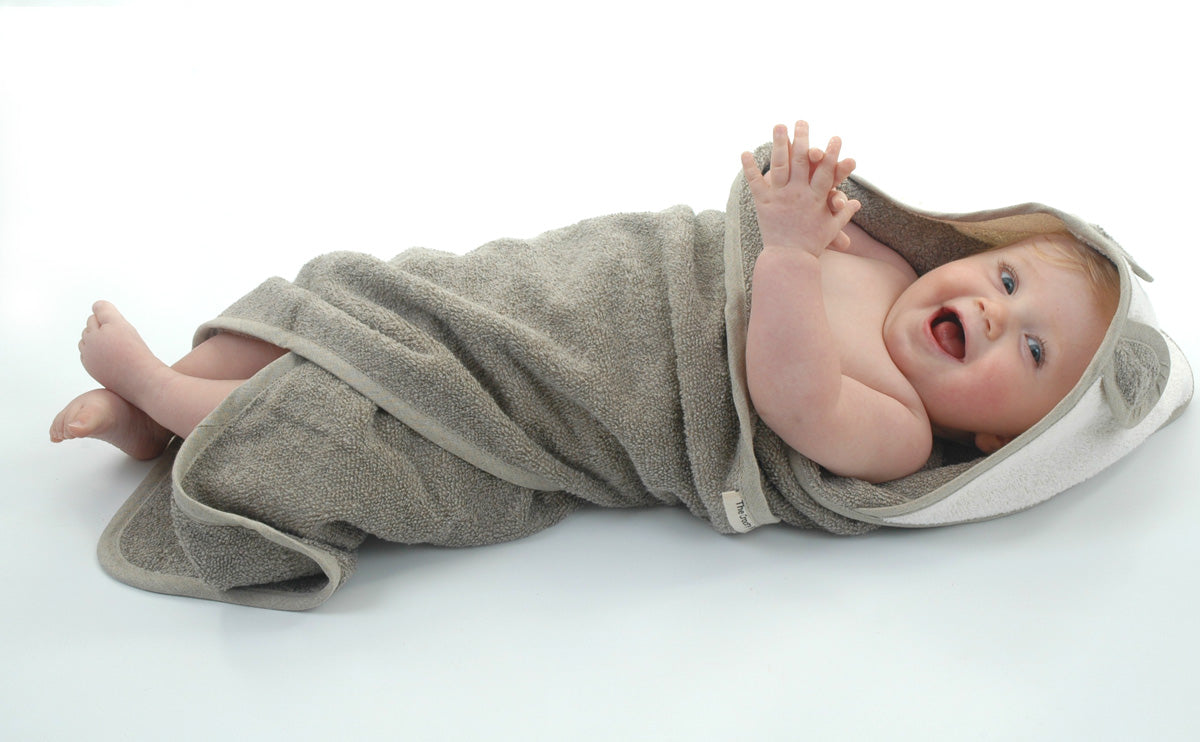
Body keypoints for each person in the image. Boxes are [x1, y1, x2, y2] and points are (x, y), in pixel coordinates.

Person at [49, 121, 1119, 484]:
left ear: (989, 440)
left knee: (405, 420)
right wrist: (791, 194)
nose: (991, 308)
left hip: (596, 385)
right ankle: (165, 407)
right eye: (1007, 276)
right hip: (584, 286)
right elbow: (769, 219)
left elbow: (790, 397)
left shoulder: (894, 430)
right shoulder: (887, 259)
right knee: (386, 308)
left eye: (1030, 352)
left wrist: (790, 256)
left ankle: (159, 393)